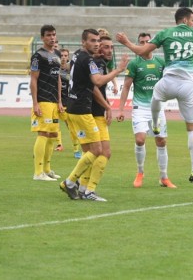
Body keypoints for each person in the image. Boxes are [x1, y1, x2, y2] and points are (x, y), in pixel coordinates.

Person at [116, 7, 193, 189]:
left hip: (168, 82)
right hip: (188, 86)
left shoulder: (165, 33)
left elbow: (141, 49)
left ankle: (154, 124)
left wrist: (126, 42)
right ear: (185, 20)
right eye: (192, 20)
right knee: (192, 129)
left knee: (156, 97)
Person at [59, 29, 128, 201]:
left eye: (101, 43)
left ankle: (84, 189)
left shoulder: (78, 55)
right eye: (96, 42)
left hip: (77, 108)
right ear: (84, 42)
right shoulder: (91, 60)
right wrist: (119, 70)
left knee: (95, 152)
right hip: (84, 110)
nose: (99, 46)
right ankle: (71, 182)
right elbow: (96, 84)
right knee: (98, 151)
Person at [116, 32, 176, 189]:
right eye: (142, 42)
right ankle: (140, 172)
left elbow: (170, 82)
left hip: (157, 108)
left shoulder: (161, 63)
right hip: (140, 108)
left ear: (152, 45)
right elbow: (127, 87)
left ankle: (164, 177)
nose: (145, 44)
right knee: (140, 139)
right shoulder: (134, 64)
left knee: (161, 141)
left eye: (147, 41)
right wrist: (121, 109)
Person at [30, 25, 63, 181]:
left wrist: (60, 101)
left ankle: (47, 169)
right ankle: (38, 172)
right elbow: (33, 79)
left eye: (54, 35)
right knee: (43, 133)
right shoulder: (38, 56)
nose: (52, 38)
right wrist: (35, 103)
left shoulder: (57, 54)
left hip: (54, 102)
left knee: (53, 134)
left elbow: (58, 78)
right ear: (42, 37)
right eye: (49, 35)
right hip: (43, 100)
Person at [58, 47, 82, 159]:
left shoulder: (71, 69)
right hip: (55, 101)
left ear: (68, 57)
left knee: (71, 127)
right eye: (61, 55)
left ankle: (76, 148)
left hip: (68, 101)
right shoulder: (54, 68)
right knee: (52, 126)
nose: (63, 58)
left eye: (65, 56)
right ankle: (58, 144)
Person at [98, 28, 119, 96]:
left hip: (101, 83)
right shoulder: (90, 57)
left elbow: (111, 71)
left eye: (105, 35)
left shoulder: (109, 56)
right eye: (101, 36)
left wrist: (115, 85)